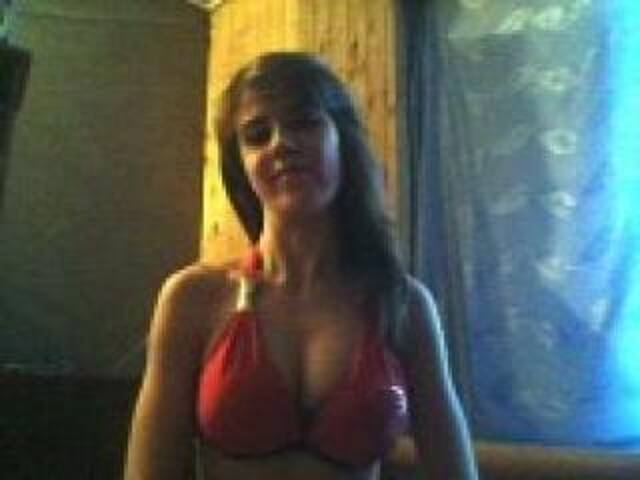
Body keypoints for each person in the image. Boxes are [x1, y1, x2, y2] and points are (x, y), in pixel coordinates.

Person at [124, 51, 478, 480]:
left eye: (304, 122)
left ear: (342, 141)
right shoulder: (192, 299)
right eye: (257, 134)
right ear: (241, 167)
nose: (281, 143)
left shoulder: (404, 306)